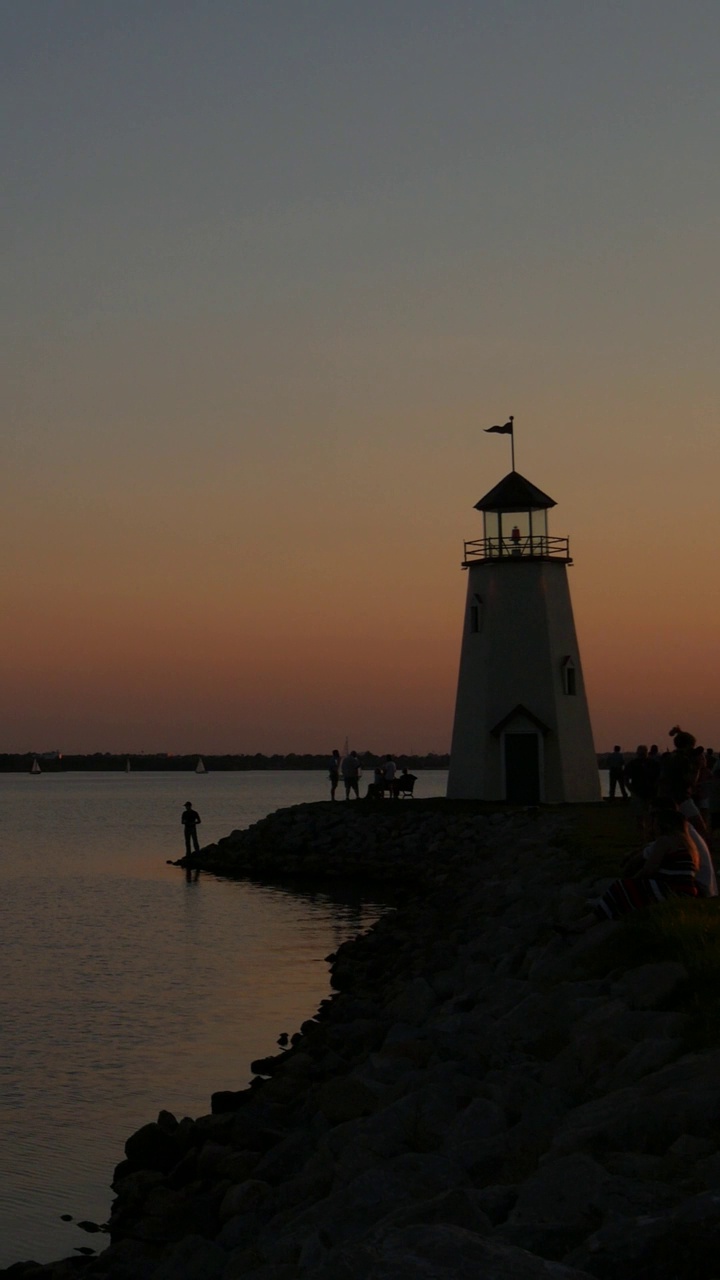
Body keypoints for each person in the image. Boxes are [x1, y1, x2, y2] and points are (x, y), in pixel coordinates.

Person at [557, 808, 700, 934]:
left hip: (672, 890)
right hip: (685, 891)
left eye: (654, 822)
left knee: (620, 888)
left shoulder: (664, 841)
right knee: (623, 890)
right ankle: (587, 921)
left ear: (663, 825)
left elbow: (649, 869)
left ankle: (583, 924)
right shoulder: (687, 844)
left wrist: (631, 881)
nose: (652, 826)